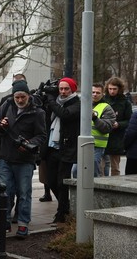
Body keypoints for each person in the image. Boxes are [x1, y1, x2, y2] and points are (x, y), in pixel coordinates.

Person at [0, 80, 47, 238]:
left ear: (28, 96)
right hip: (5, 156)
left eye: (23, 97)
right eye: (17, 97)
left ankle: (23, 224)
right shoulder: (7, 105)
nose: (20, 100)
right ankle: (5, 222)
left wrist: (30, 143)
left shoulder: (38, 112)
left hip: (25, 159)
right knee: (5, 192)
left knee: (24, 193)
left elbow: (42, 135)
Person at [43, 77, 80, 224]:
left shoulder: (77, 103)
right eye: (61, 89)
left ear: (72, 90)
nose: (63, 92)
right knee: (51, 181)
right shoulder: (56, 102)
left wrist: (51, 100)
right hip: (52, 147)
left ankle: (61, 213)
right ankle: (66, 207)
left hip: (67, 148)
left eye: (66, 89)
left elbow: (65, 114)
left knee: (61, 183)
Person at [104, 77, 132, 176]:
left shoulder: (125, 102)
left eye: (114, 89)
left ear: (119, 89)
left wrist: (119, 124)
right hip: (103, 135)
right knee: (101, 166)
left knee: (115, 167)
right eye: (110, 89)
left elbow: (129, 120)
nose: (112, 91)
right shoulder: (103, 100)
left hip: (117, 137)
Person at [90, 83, 116, 177]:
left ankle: (97, 189)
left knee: (94, 169)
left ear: (102, 94)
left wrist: (95, 118)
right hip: (82, 144)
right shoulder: (84, 105)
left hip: (97, 145)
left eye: (97, 92)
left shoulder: (107, 108)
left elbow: (106, 128)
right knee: (76, 170)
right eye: (93, 92)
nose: (95, 94)